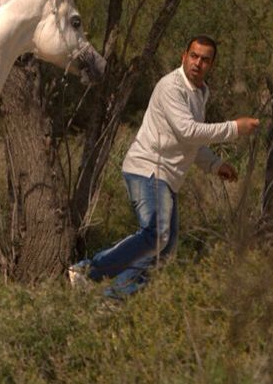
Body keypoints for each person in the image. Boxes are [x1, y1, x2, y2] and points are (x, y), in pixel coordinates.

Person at [70, 35, 260, 298]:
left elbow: (190, 143)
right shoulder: (171, 87)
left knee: (164, 250)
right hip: (148, 167)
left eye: (205, 59)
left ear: (212, 64)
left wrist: (216, 165)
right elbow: (188, 132)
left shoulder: (200, 93)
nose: (197, 63)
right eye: (194, 56)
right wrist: (235, 128)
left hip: (167, 177)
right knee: (156, 234)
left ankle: (112, 299)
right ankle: (87, 270)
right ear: (184, 56)